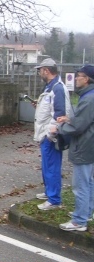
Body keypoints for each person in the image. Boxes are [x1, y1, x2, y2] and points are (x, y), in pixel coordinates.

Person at [51, 65, 94, 231]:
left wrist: (59, 128)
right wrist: (69, 119)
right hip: (88, 145)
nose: (76, 78)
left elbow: (79, 127)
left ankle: (79, 221)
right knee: (88, 182)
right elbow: (84, 120)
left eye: (80, 76)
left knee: (80, 184)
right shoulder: (89, 96)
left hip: (84, 145)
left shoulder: (89, 99)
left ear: (87, 79)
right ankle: (86, 212)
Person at [33, 58, 71, 210]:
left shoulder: (57, 89)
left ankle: (54, 199)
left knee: (52, 166)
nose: (39, 73)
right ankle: (49, 192)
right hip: (45, 134)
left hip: (50, 135)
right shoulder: (50, 87)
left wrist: (51, 134)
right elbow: (49, 109)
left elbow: (60, 115)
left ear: (46, 71)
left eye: (40, 70)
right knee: (47, 166)